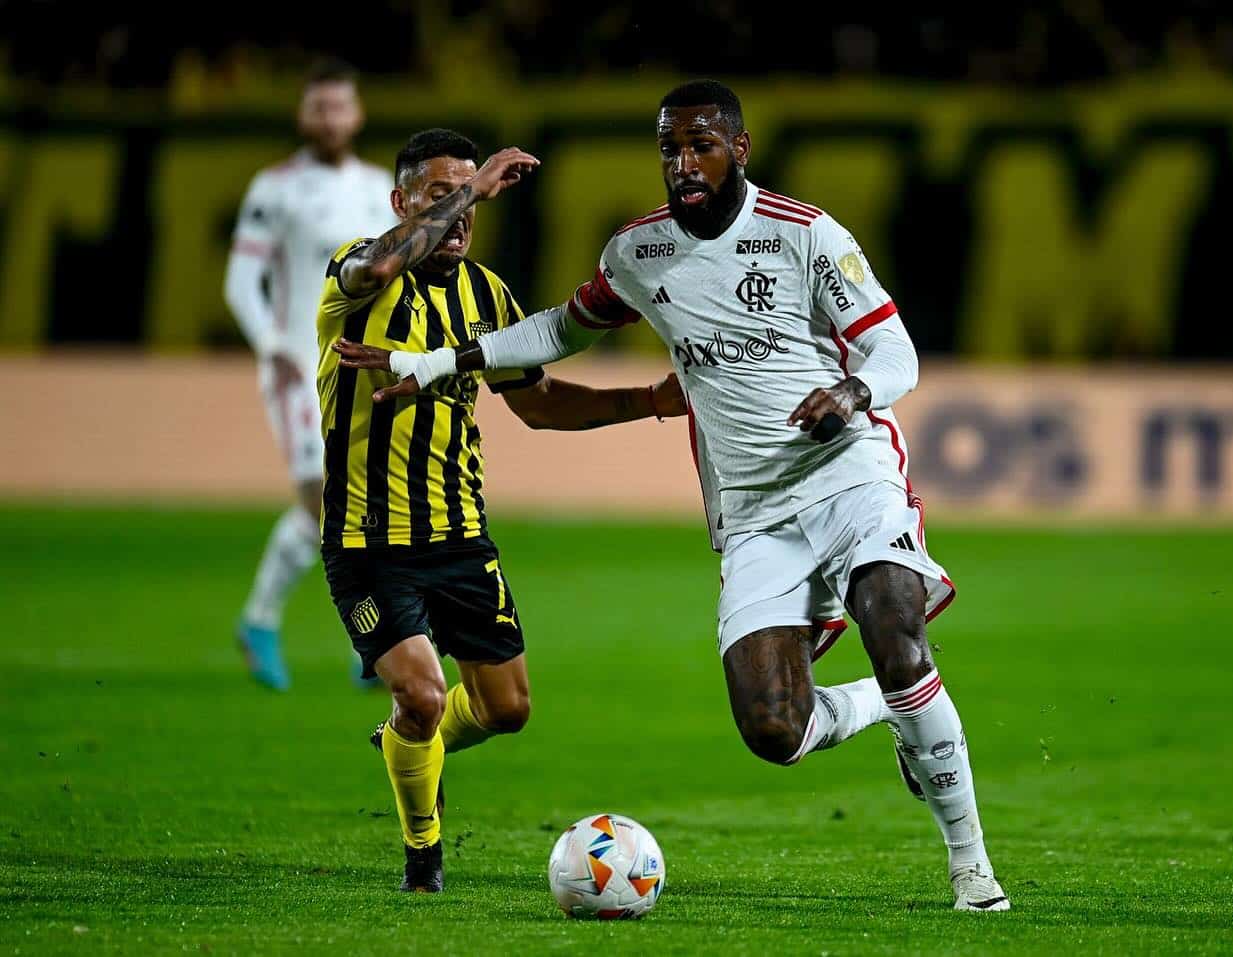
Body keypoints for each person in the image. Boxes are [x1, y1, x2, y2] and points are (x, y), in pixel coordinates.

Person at [336, 81, 1009, 911]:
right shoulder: (639, 253)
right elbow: (560, 330)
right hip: (753, 513)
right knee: (775, 729)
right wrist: (437, 363)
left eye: (701, 145)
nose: (684, 164)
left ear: (741, 149)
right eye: (669, 149)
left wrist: (856, 394)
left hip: (849, 475)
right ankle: (893, 707)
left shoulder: (806, 236)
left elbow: (895, 352)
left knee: (891, 618)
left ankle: (972, 870)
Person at [317, 128, 686, 893]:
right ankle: (424, 853)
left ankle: (408, 743)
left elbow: (541, 405)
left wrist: (648, 400)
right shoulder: (357, 275)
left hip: (461, 537)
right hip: (368, 541)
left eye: (467, 204)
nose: (458, 217)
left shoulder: (489, 296)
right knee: (420, 692)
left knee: (507, 707)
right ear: (401, 202)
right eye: (438, 197)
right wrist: (476, 184)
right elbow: (385, 259)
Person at [224, 58, 395, 690]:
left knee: (369, 501)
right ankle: (270, 622)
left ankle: (366, 641)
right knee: (323, 501)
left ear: (358, 114)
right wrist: (272, 345)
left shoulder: (382, 188)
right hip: (301, 366)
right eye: (319, 107)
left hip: (367, 366)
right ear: (304, 114)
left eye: (339, 106)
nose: (329, 118)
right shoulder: (275, 188)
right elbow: (241, 280)